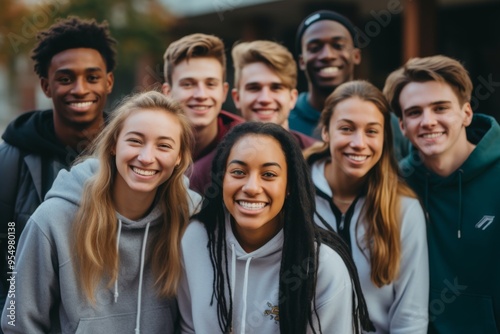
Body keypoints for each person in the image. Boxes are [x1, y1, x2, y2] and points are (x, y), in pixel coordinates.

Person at [1, 91, 202, 333]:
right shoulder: (53, 220)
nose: (147, 157)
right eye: (135, 141)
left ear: (179, 157)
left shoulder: (189, 220)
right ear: (115, 144)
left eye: (164, 145)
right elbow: (17, 322)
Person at [178, 121, 374, 333]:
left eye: (269, 174)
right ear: (221, 178)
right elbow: (188, 328)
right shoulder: (194, 240)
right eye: (238, 172)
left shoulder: (322, 266)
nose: (252, 187)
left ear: (290, 186)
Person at [0, 16, 116, 308]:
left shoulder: (132, 156)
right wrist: (11, 316)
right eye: (65, 79)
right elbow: (7, 246)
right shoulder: (10, 159)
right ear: (46, 86)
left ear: (109, 82)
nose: (79, 89)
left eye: (92, 77)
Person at [383, 55, 500, 333]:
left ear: (466, 113)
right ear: (402, 126)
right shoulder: (395, 184)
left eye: (440, 108)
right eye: (414, 112)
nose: (428, 121)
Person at [304, 80, 429, 333]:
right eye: (347, 129)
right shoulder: (293, 194)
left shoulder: (403, 208)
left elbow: (410, 317)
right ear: (326, 132)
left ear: (384, 137)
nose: (359, 143)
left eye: (372, 131)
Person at [289, 10, 409, 160]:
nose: (327, 55)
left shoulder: (388, 123)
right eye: (315, 48)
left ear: (356, 56)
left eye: (338, 46)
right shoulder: (286, 120)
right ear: (301, 61)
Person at [162, 33, 244, 194]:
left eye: (210, 84)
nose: (201, 95)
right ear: (168, 92)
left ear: (223, 91)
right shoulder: (149, 144)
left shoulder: (245, 142)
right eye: (188, 84)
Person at [231, 40, 316, 149]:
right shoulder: (219, 157)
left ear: (292, 98)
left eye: (276, 88)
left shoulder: (317, 158)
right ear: (237, 98)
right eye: (254, 88)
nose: (265, 99)